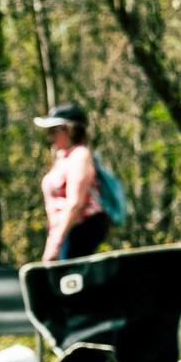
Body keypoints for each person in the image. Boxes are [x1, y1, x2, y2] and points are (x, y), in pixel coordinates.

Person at [36, 104, 121, 262]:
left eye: (54, 130)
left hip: (79, 229)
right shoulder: (63, 157)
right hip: (66, 231)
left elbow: (75, 203)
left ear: (70, 130)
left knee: (69, 274)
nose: (50, 136)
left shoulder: (80, 156)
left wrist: (56, 242)